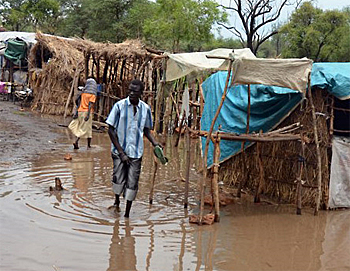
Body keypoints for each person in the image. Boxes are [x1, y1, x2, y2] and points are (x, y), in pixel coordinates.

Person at [106, 79, 160, 218]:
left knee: (132, 182)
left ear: (141, 93)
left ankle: (126, 215)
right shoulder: (119, 106)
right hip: (119, 151)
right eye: (129, 90)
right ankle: (117, 200)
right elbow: (111, 130)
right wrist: (122, 152)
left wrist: (155, 143)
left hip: (136, 152)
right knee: (118, 179)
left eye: (135, 91)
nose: (131, 93)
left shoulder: (146, 109)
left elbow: (146, 130)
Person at [68, 77, 97, 149]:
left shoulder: (83, 93)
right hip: (87, 112)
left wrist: (76, 113)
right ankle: (78, 142)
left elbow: (79, 103)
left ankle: (87, 145)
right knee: (86, 129)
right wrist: (87, 115)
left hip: (80, 111)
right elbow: (90, 105)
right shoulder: (92, 95)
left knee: (82, 127)